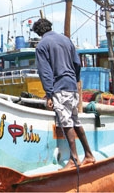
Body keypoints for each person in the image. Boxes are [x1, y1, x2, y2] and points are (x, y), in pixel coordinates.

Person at [32, 18, 95, 170]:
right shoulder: (66, 40)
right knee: (75, 120)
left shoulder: (42, 45)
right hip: (72, 86)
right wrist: (75, 80)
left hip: (60, 88)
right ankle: (89, 154)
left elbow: (45, 72)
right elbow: (77, 63)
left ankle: (74, 159)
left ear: (38, 33)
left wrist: (49, 94)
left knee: (66, 123)